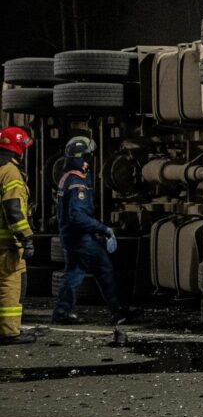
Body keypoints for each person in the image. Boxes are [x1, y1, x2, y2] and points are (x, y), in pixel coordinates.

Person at [53, 136, 135, 325]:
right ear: (84, 157)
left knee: (74, 273)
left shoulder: (68, 176)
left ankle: (62, 313)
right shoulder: (77, 181)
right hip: (80, 238)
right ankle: (118, 312)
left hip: (71, 236)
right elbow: (77, 215)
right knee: (104, 268)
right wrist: (103, 228)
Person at [0, 126, 37, 345]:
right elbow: (13, 208)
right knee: (10, 285)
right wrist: (25, 236)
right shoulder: (10, 171)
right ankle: (10, 332)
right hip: (6, 244)